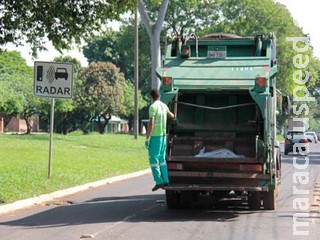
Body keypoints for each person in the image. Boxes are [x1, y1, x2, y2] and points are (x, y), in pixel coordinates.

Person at [145, 89, 175, 191]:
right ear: (159, 96)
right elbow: (172, 116)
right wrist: (175, 118)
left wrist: (147, 138)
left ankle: (158, 181)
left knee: (153, 158)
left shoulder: (153, 107)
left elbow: (151, 124)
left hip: (155, 136)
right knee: (162, 159)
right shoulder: (164, 106)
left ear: (151, 97)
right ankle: (166, 180)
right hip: (163, 136)